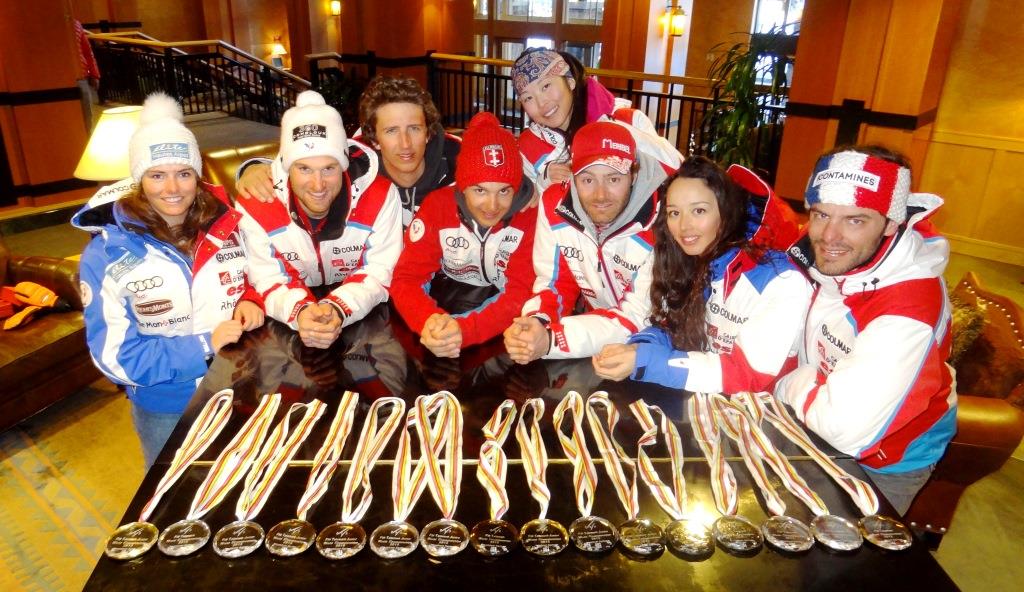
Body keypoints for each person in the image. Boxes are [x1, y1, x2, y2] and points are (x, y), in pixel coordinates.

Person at [72, 93, 265, 467]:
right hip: (166, 407)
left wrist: (250, 298)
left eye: (184, 173)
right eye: (157, 175)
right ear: (139, 179)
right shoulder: (106, 253)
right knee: (171, 493)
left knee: (242, 482)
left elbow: (260, 275)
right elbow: (115, 357)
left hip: (240, 386)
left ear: (197, 176)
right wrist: (203, 345)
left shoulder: (229, 225)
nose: (172, 188)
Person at [774, 145, 957, 515]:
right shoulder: (819, 254)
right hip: (805, 419)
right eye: (821, 214)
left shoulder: (909, 307)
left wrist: (787, 380)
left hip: (884, 461)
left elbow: (845, 429)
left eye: (855, 220)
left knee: (826, 546)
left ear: (891, 223)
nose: (829, 236)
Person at [592, 156, 810, 393]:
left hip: (762, 411)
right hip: (704, 402)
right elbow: (674, 327)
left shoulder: (782, 281)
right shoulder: (696, 259)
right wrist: (640, 348)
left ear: (726, 211)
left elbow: (747, 374)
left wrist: (646, 361)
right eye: (674, 213)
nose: (684, 226)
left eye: (699, 210)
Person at [234, 90, 402, 350]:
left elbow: (380, 270)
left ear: (343, 165)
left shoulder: (381, 196)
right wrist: (300, 311)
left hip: (362, 320)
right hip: (285, 326)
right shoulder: (256, 203)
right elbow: (266, 277)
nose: (317, 184)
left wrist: (338, 307)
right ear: (288, 169)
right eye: (304, 169)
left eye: (328, 168)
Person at [503, 120, 674, 363]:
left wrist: (552, 340)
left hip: (663, 343)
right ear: (572, 175)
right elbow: (555, 282)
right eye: (587, 180)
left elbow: (638, 317)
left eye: (613, 179)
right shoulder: (555, 205)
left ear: (633, 174)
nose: (600, 195)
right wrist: (537, 321)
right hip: (596, 337)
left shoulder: (665, 219)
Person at [390, 111, 537, 358]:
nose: (492, 206)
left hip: (503, 333)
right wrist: (427, 321)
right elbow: (407, 278)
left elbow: (521, 292)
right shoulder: (437, 206)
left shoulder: (530, 216)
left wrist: (465, 330)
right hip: (443, 305)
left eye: (504, 191)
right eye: (480, 190)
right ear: (462, 185)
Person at [237, 75, 460, 227]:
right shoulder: (358, 160)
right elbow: (305, 160)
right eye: (391, 131)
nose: (405, 143)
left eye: (414, 128)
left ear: (428, 132)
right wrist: (253, 168)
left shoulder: (459, 160)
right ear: (374, 138)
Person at [511, 48, 682, 193]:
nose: (541, 103)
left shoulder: (628, 120)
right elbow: (522, 207)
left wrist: (614, 131)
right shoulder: (527, 146)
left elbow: (676, 169)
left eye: (546, 86)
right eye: (528, 98)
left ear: (570, 81)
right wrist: (543, 182)